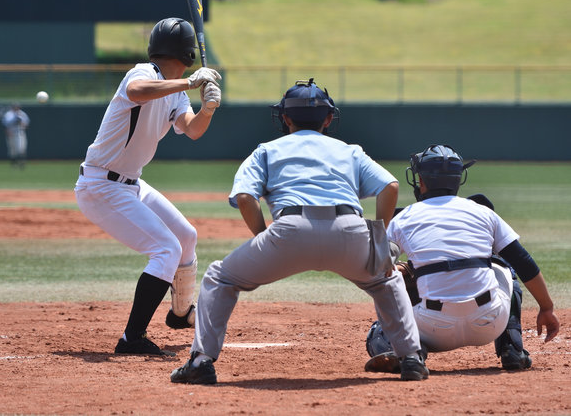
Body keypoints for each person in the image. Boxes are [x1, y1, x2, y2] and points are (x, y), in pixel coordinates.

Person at [170, 78, 428, 385]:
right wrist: (378, 240)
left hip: (289, 231)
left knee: (220, 278)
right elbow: (391, 186)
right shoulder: (350, 151)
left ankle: (200, 362)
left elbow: (245, 198)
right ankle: (411, 358)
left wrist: (263, 237)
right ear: (329, 118)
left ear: (285, 118)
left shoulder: (266, 150)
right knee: (387, 279)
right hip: (350, 231)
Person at [74, 17, 222, 356]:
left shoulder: (174, 93)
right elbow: (136, 92)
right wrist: (188, 83)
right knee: (166, 249)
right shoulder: (143, 73)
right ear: (187, 55)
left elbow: (193, 129)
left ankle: (181, 313)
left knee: (186, 237)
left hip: (130, 184)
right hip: (100, 184)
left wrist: (208, 109)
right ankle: (132, 338)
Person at [364, 144, 560, 373]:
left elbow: (375, 268)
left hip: (432, 328)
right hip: (490, 322)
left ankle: (413, 352)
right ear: (458, 180)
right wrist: (546, 308)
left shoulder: (404, 217)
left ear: (422, 182)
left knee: (378, 334)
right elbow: (524, 262)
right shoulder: (484, 212)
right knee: (502, 265)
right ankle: (511, 347)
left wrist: (402, 269)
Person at [2, 103, 30, 168]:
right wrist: (15, 120)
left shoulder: (22, 114)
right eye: (15, 107)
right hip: (12, 133)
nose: (17, 108)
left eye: (18, 107)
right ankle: (13, 163)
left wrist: (21, 122)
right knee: (12, 150)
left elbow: (26, 124)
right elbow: (6, 124)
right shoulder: (9, 114)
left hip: (20, 133)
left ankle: (22, 163)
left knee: (21, 148)